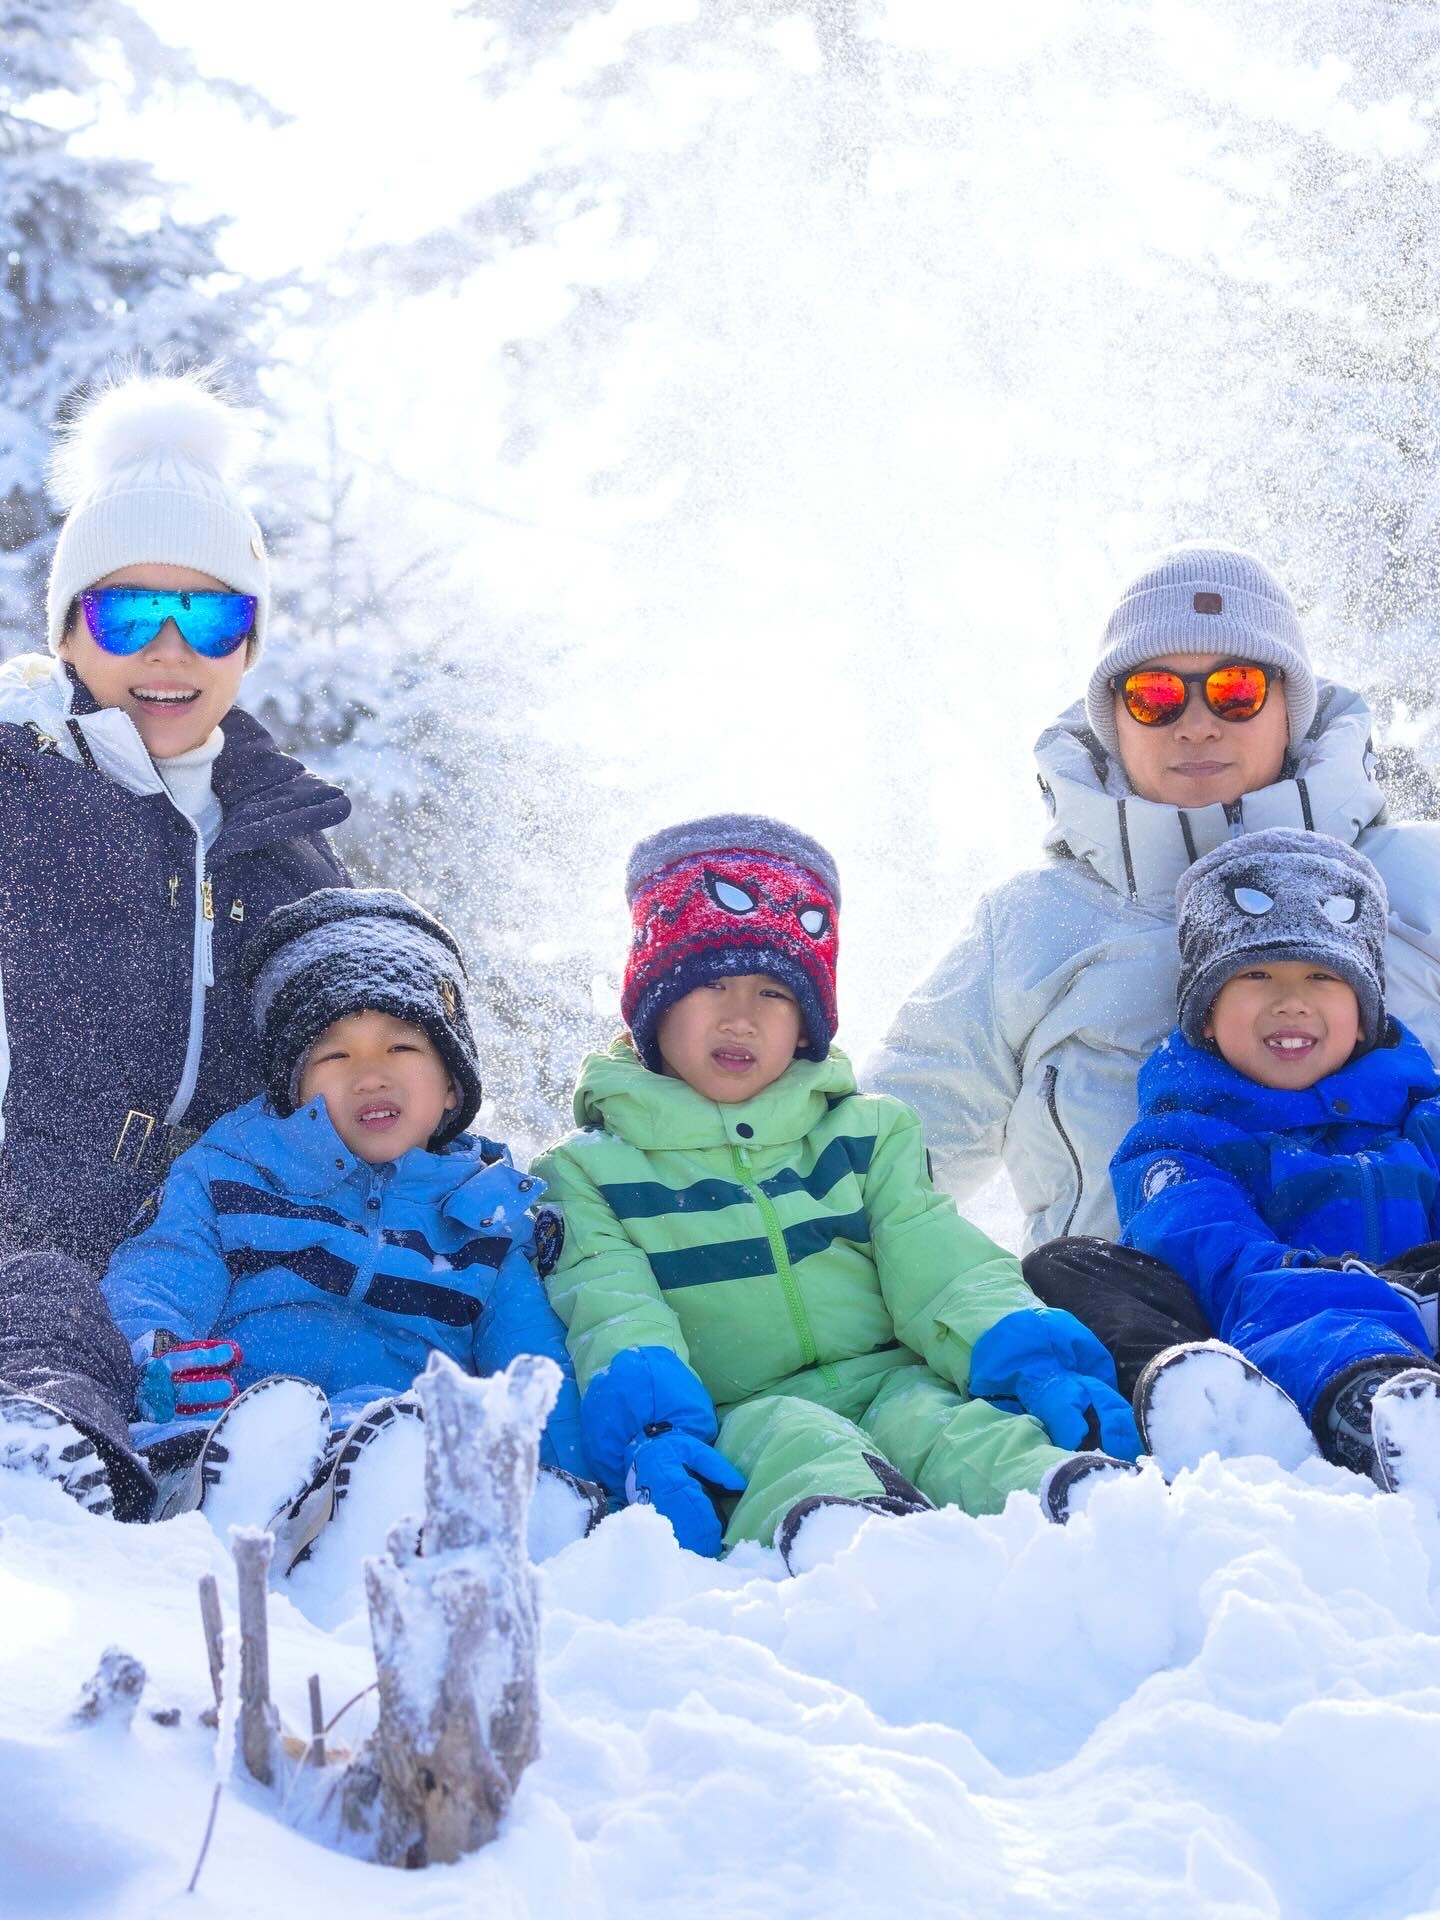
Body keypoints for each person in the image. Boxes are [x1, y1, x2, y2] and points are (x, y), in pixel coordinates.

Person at [533, 815, 1143, 1574]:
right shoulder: (592, 1173)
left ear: (807, 1024)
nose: (741, 1016)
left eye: (772, 992)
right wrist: (655, 1433)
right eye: (710, 983)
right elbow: (614, 1311)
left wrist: (1032, 1361)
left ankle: (1080, 1507)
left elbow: (943, 1265)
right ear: (655, 1004)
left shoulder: (864, 1134)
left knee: (947, 1425)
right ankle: (848, 1548)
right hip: (738, 1412)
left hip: (892, 1378)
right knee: (796, 1440)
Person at [866, 545, 1440, 1283]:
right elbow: (895, 1161)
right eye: (1155, 696)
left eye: (1236, 690)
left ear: (1290, 710)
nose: (1196, 725)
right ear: (1113, 719)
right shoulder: (1033, 926)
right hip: (1132, 1362)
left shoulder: (1422, 881)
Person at [0, 890, 598, 1561]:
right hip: (228, 1430)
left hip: (398, 1442)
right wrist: (158, 1353)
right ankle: (219, 1508)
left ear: (453, 1085)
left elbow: (534, 1370)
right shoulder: (233, 1172)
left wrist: (573, 1482)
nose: (371, 1074)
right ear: (293, 1083)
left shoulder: (488, 1219)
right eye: (335, 1057)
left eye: (402, 1047)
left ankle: (373, 1519)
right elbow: (162, 1275)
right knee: (256, 1432)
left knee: (397, 1431)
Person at [0, 368, 350, 1274]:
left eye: (207, 614)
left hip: (227, 1271)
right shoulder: (21, 796)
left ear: (249, 643)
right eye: (127, 613)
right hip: (27, 1256)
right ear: (66, 635)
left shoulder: (291, 847)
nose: (168, 648)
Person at [1091, 830, 1440, 1493]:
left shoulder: (1422, 1115)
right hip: (1268, 1326)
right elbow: (1213, 1248)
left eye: (1322, 976)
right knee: (1075, 1268)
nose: (1291, 1000)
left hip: (1422, 1321)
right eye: (1256, 974)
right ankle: (1359, 1407)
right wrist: (1351, 1295)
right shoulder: (1181, 1138)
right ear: (1207, 1015)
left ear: (1364, 1016)